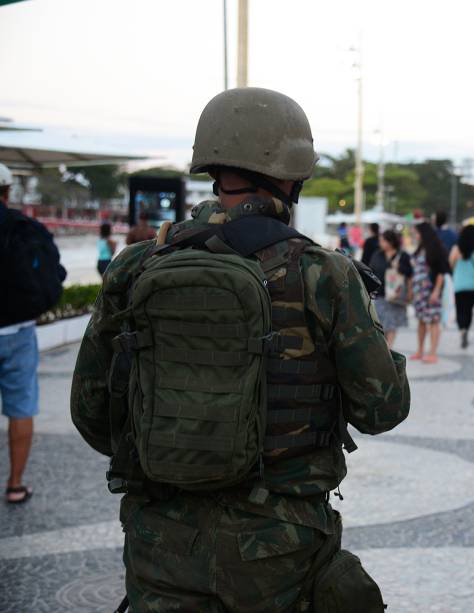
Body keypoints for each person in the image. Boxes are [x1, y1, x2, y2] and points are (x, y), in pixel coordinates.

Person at [71, 87, 409, 613]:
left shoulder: (137, 264)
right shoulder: (324, 273)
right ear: (293, 168)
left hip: (158, 540)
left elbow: (92, 413)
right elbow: (382, 409)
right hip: (280, 546)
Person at [0, 162, 65, 504]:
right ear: (8, 191)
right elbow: (54, 272)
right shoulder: (25, 228)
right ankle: (15, 484)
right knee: (21, 408)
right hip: (18, 332)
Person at [411, 221, 451, 363]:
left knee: (434, 321)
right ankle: (420, 350)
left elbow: (441, 272)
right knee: (421, 320)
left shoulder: (435, 249)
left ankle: (433, 352)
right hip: (419, 291)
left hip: (431, 290)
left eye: (416, 232)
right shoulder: (421, 249)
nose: (414, 235)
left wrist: (436, 291)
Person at [369, 229, 413, 347]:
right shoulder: (377, 255)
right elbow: (371, 271)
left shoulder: (403, 256)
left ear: (391, 242)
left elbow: (409, 274)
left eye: (383, 241)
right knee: (380, 324)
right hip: (380, 294)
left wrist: (410, 291)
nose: (380, 243)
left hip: (396, 295)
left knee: (392, 325)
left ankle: (389, 349)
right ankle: (385, 348)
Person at [449, 224, 474, 349]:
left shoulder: (456, 249)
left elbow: (451, 263)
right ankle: (467, 328)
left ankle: (462, 329)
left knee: (460, 309)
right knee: (469, 309)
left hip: (460, 284)